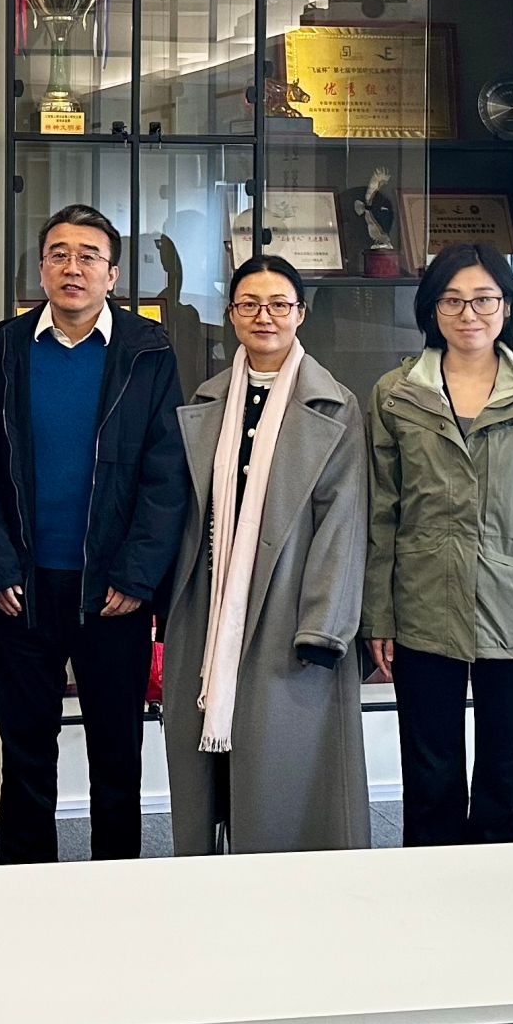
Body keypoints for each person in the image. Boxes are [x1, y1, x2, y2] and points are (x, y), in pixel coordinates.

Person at [0, 203, 188, 864]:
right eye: (59, 254)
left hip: (113, 591)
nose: (73, 267)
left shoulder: (148, 353)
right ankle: (22, 887)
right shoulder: (2, 351)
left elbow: (166, 473)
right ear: (40, 269)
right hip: (21, 589)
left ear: (112, 274)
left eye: (89, 256)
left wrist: (137, 576)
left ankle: (113, 889)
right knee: (25, 752)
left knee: (116, 754)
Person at [363, 242, 513, 846]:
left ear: (507, 306)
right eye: (453, 300)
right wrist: (378, 615)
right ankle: (431, 890)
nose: (470, 314)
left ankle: (502, 892)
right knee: (429, 777)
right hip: (421, 607)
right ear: (431, 309)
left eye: (485, 299)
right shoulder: (395, 394)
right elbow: (380, 515)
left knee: (507, 779)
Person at [160, 256, 370, 856]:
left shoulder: (336, 405)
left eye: (279, 304)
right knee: (210, 771)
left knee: (281, 769)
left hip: (291, 609)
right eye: (249, 304)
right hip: (210, 603)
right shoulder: (209, 398)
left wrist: (323, 626)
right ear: (231, 315)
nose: (265, 316)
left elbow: (344, 522)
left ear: (301, 314)